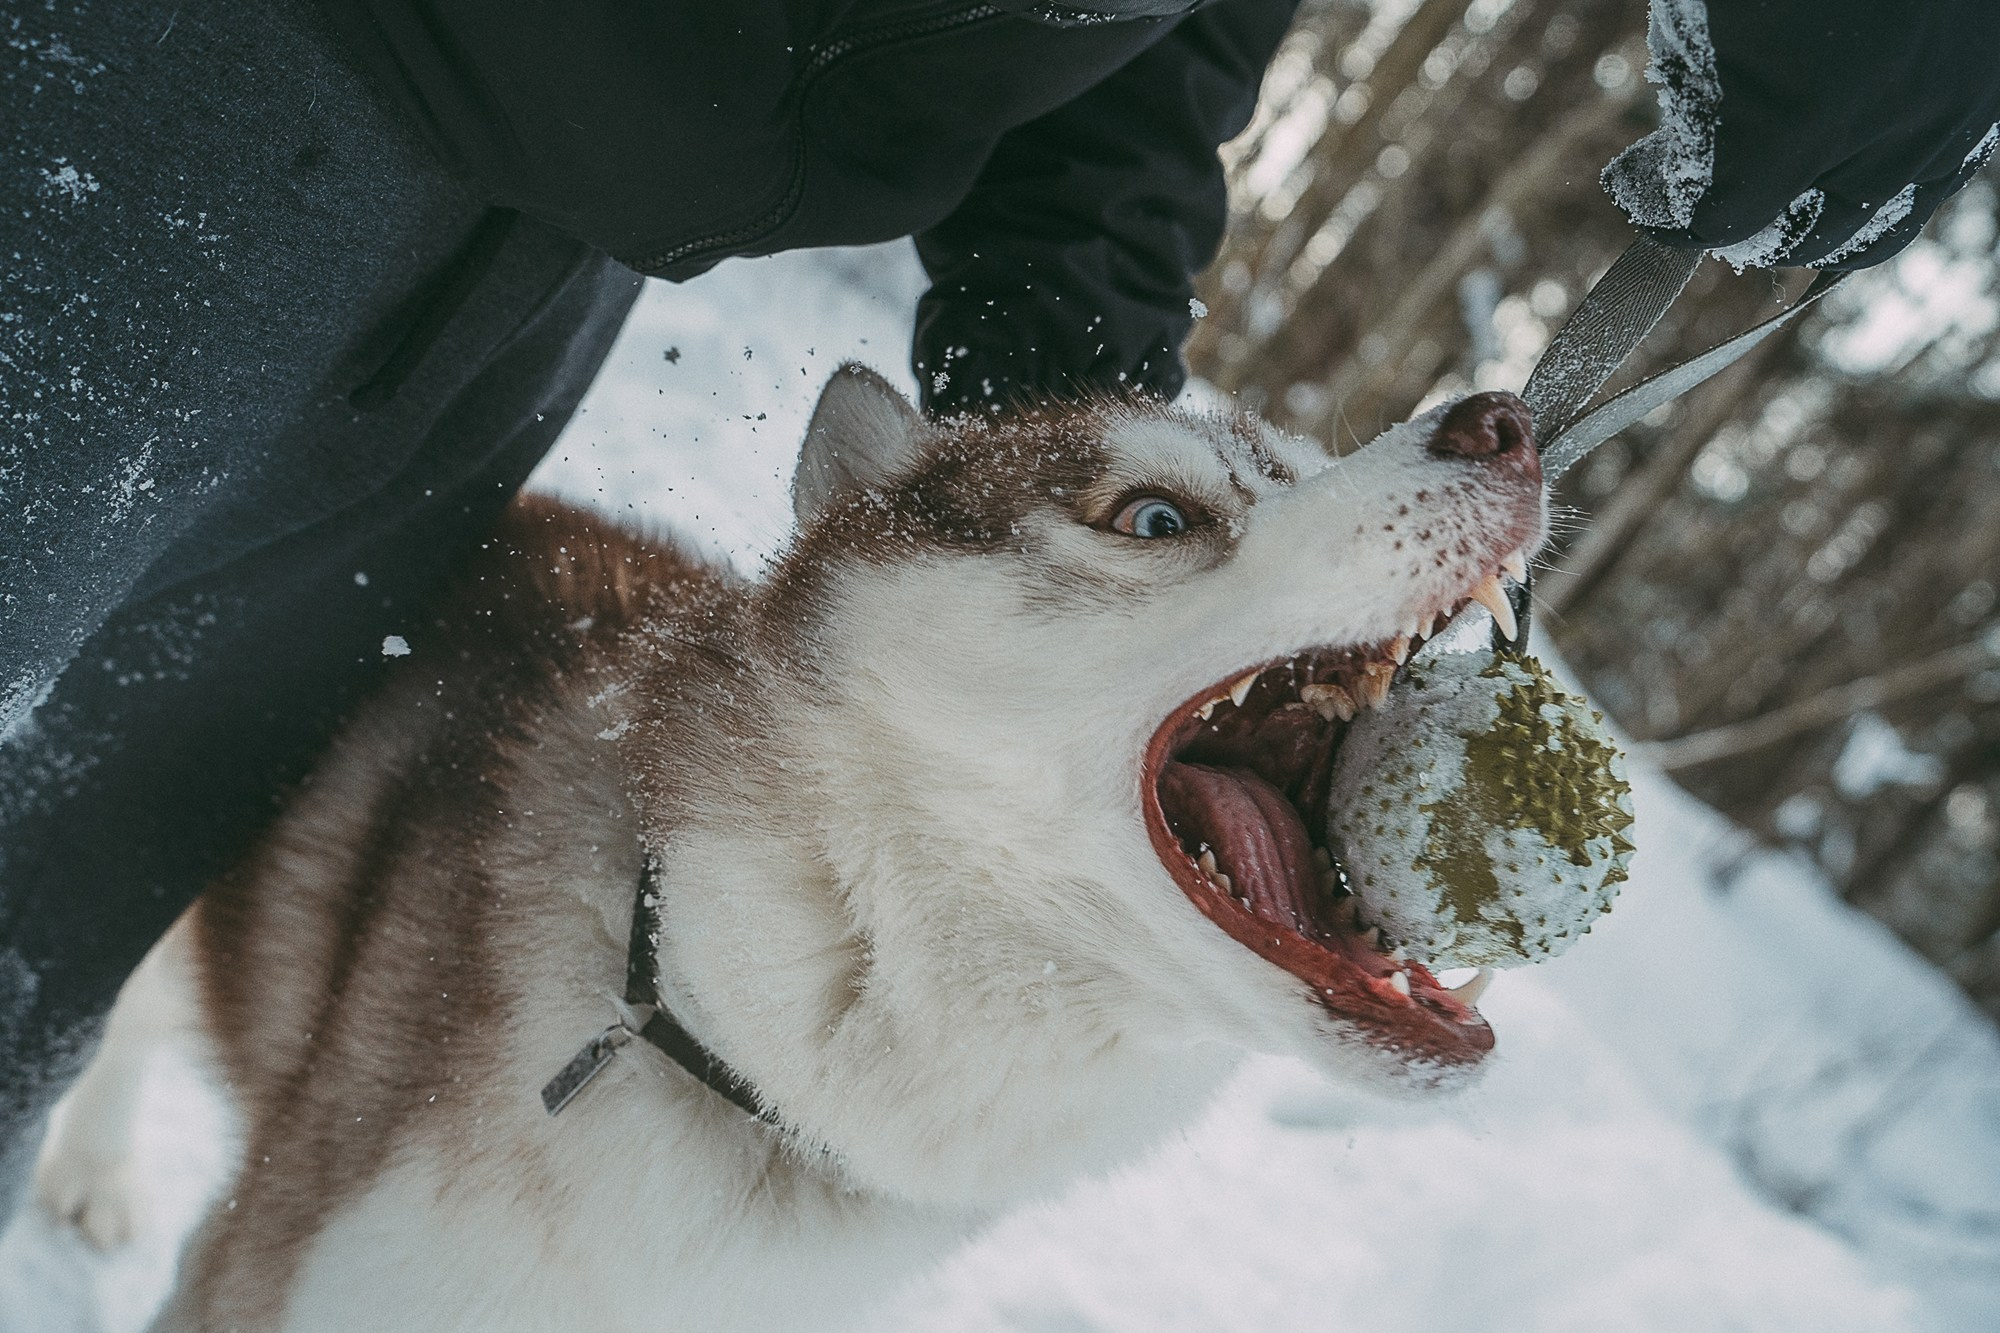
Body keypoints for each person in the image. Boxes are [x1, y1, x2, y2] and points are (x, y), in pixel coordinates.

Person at [0, 0, 1995, 1203]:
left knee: (60, 899)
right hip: (227, 65)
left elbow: (1157, 35)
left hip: (537, 245)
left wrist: (1050, 386)